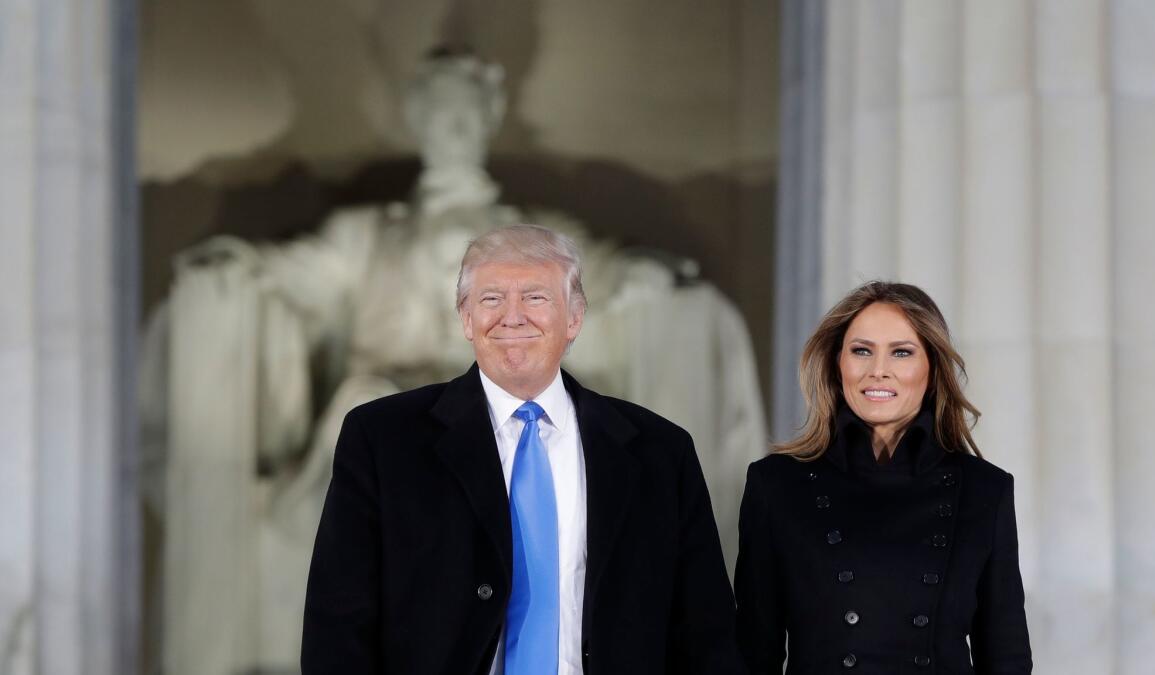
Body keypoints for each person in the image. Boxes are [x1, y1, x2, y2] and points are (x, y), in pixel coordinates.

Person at [301, 224, 744, 674]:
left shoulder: (660, 452)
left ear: (574, 317)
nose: (512, 317)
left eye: (535, 297)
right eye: (491, 299)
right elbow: (337, 625)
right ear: (465, 318)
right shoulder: (382, 439)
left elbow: (707, 633)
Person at [736, 281, 1032, 673]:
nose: (878, 371)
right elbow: (754, 652)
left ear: (932, 368)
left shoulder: (984, 490)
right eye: (861, 351)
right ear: (836, 362)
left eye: (901, 353)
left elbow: (1006, 658)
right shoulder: (776, 485)